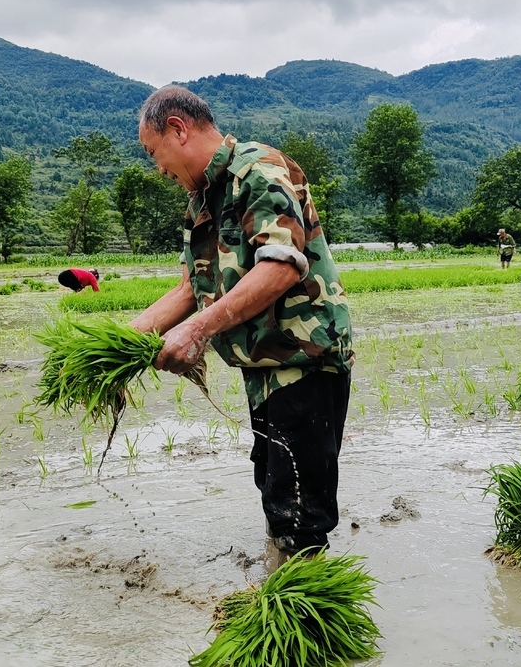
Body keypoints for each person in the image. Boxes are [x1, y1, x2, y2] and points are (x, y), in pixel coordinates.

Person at [129, 85, 354, 557]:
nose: (159, 169)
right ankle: (287, 575)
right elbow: (190, 288)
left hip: (303, 356)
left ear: (178, 129)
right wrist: (121, 343)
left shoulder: (257, 169)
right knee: (274, 484)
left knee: (299, 507)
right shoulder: (202, 200)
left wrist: (197, 330)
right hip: (263, 363)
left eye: (153, 153)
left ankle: (304, 593)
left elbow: (280, 266)